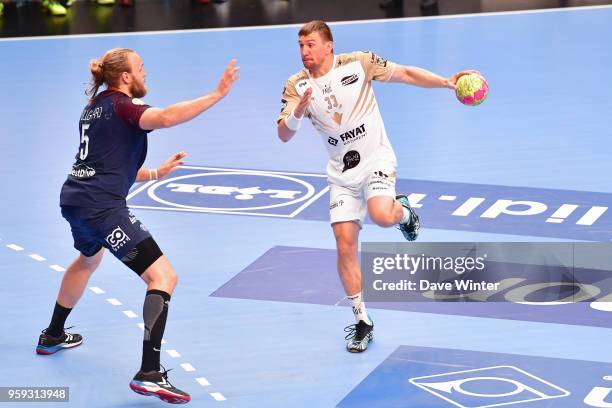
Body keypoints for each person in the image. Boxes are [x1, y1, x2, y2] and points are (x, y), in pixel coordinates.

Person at [37, 47, 239, 404]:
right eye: (141, 68)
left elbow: (107, 163)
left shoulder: (94, 107)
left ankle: (53, 334)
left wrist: (155, 173)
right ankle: (149, 373)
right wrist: (216, 95)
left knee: (88, 260)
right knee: (163, 277)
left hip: (74, 200)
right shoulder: (123, 106)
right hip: (102, 208)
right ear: (126, 77)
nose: (146, 73)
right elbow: (165, 118)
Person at [277, 20, 478, 353]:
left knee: (383, 215)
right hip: (341, 173)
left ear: (329, 45)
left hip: (376, 160)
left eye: (310, 44)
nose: (304, 52)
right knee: (344, 244)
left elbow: (406, 74)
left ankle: (405, 213)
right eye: (300, 45)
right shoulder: (295, 86)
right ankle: (362, 321)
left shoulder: (359, 62)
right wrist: (297, 113)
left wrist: (446, 82)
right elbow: (283, 134)